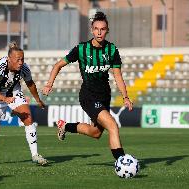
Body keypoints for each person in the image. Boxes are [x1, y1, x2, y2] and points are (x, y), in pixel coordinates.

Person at [42, 12, 133, 162]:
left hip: (104, 95)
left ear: (107, 30)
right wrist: (49, 84)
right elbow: (58, 65)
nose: (99, 32)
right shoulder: (81, 49)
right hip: (88, 96)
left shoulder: (112, 50)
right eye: (96, 28)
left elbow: (118, 76)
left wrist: (125, 97)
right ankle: (122, 162)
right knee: (112, 126)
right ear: (92, 30)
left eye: (102, 29)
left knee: (96, 133)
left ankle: (65, 126)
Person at [0, 41, 48, 166]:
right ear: (9, 59)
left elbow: (30, 83)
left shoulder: (24, 68)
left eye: (22, 59)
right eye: (18, 60)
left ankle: (35, 155)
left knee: (28, 118)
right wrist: (4, 99)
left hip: (14, 92)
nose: (21, 62)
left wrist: (38, 99)